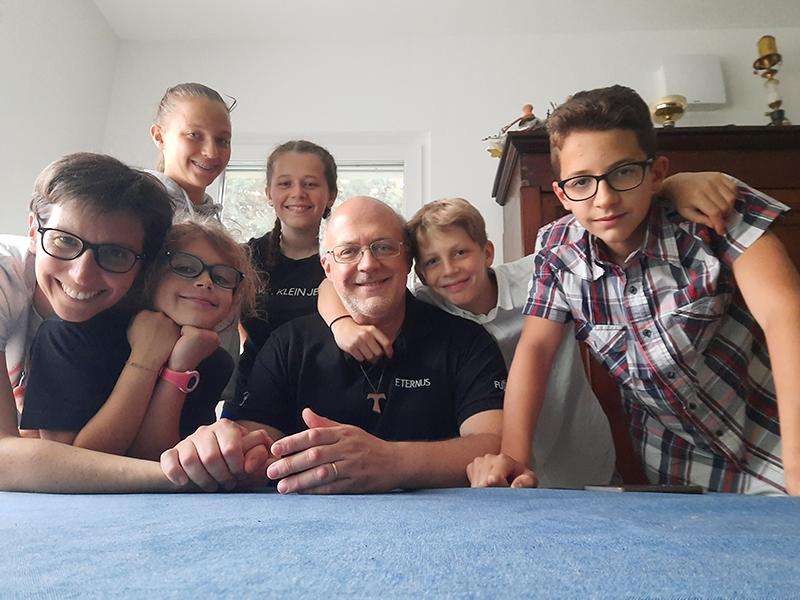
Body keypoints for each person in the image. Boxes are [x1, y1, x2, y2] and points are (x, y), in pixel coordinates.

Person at [468, 85, 800, 495]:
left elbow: (784, 314)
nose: (605, 199)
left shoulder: (715, 208)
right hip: (679, 465)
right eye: (582, 182)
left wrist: (796, 467)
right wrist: (515, 459)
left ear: (656, 173)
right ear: (562, 194)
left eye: (623, 172)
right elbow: (535, 350)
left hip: (777, 431)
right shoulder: (557, 251)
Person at [161, 196, 506, 493]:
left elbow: (493, 443)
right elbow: (255, 443)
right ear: (326, 267)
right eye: (348, 252)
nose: (368, 264)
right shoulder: (287, 345)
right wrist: (222, 447)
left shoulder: (466, 341)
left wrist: (392, 461)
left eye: (383, 247)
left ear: (407, 260)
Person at [1, 153, 188, 491]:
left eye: (115, 253)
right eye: (64, 240)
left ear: (142, 265)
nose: (82, 274)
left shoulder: (143, 317)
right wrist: (182, 476)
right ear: (32, 230)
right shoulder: (4, 280)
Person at [20, 219, 257, 460]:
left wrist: (179, 369)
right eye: (185, 268)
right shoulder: (69, 335)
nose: (206, 282)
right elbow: (73, 461)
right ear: (149, 275)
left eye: (223, 278)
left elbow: (159, 459)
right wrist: (145, 357)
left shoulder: (212, 359)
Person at [147, 82, 240, 404]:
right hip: (142, 376)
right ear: (160, 137)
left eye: (222, 140)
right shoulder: (141, 206)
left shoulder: (214, 224)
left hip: (202, 383)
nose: (211, 152)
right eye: (194, 135)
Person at [236, 140, 338, 398]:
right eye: (285, 183)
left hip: (328, 394)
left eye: (310, 184)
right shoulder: (244, 258)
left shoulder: (346, 260)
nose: (298, 193)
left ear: (331, 195)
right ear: (269, 193)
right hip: (254, 392)